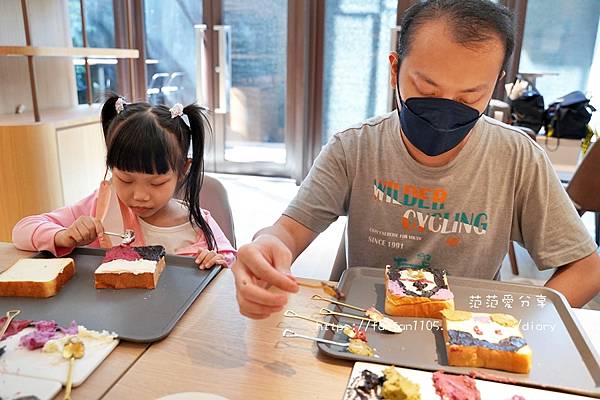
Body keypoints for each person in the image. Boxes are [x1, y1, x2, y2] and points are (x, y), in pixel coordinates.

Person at [232, 0, 600, 319]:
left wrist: (514, 323)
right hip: (361, 324)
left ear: (496, 84)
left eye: (470, 96)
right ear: (395, 69)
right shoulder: (355, 147)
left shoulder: (518, 159)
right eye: (427, 88)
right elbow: (286, 232)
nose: (445, 111)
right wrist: (267, 251)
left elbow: (586, 268)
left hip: (462, 334)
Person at [13, 95, 236, 269]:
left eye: (156, 183)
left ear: (183, 170)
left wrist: (217, 264)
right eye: (125, 180)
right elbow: (22, 231)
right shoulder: (101, 207)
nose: (139, 195)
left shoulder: (197, 224)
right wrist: (63, 236)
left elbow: (232, 266)